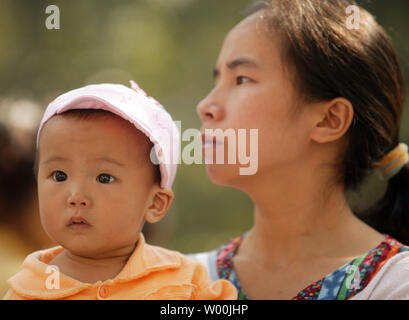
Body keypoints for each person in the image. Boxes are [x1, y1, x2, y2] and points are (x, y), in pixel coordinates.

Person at [189, 0, 409, 300]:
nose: (206, 107)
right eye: (217, 81)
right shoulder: (182, 282)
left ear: (329, 120)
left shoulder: (396, 286)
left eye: (241, 79)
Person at [3, 81, 237, 300]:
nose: (75, 197)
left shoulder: (188, 282)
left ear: (155, 203)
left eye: (104, 178)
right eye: (59, 176)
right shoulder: (27, 289)